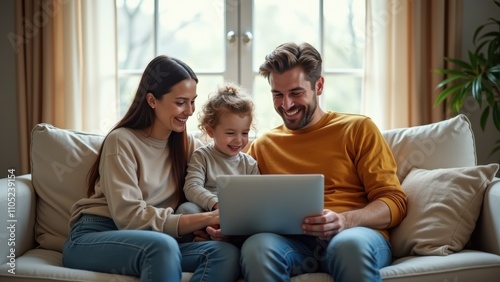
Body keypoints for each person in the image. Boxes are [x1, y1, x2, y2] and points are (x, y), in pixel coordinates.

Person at [239, 42, 408, 282]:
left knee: (349, 245)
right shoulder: (264, 145)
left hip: (354, 236)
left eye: (296, 93)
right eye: (278, 95)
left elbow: (395, 202)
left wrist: (344, 220)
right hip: (292, 245)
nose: (286, 105)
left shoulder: (358, 128)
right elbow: (246, 207)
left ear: (318, 86)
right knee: (257, 246)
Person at [62, 55, 240, 282]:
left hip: (156, 240)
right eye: (180, 102)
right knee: (162, 246)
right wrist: (207, 218)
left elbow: (218, 182)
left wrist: (217, 228)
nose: (190, 110)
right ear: (152, 100)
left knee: (226, 254)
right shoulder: (121, 141)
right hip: (97, 235)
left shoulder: (189, 145)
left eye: (192, 101)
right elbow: (130, 218)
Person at [178, 82, 260, 216]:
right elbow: (191, 187)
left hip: (236, 213)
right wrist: (215, 204)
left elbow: (256, 196)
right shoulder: (202, 156)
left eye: (244, 133)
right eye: (230, 133)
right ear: (210, 131)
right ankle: (205, 233)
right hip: (205, 211)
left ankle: (226, 235)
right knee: (186, 210)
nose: (239, 140)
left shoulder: (250, 164)